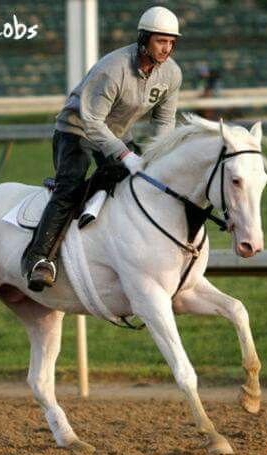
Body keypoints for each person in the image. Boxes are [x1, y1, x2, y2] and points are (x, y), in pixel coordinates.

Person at [21, 6, 183, 292]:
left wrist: (161, 156)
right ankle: (39, 259)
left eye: (171, 42)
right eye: (161, 41)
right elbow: (92, 121)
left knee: (141, 180)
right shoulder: (113, 69)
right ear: (144, 39)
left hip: (116, 134)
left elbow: (165, 120)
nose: (166, 49)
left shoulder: (172, 74)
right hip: (76, 130)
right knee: (70, 186)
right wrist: (123, 154)